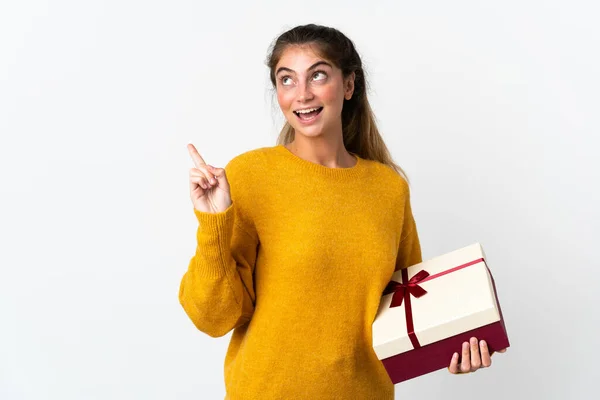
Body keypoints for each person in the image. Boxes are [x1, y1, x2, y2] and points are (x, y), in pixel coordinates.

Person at [179, 23, 506, 400]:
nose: (302, 94)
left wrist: (455, 344)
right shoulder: (250, 176)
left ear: (348, 85)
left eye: (317, 76)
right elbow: (213, 318)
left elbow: (407, 307)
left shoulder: (388, 189)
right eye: (286, 80)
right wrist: (214, 221)